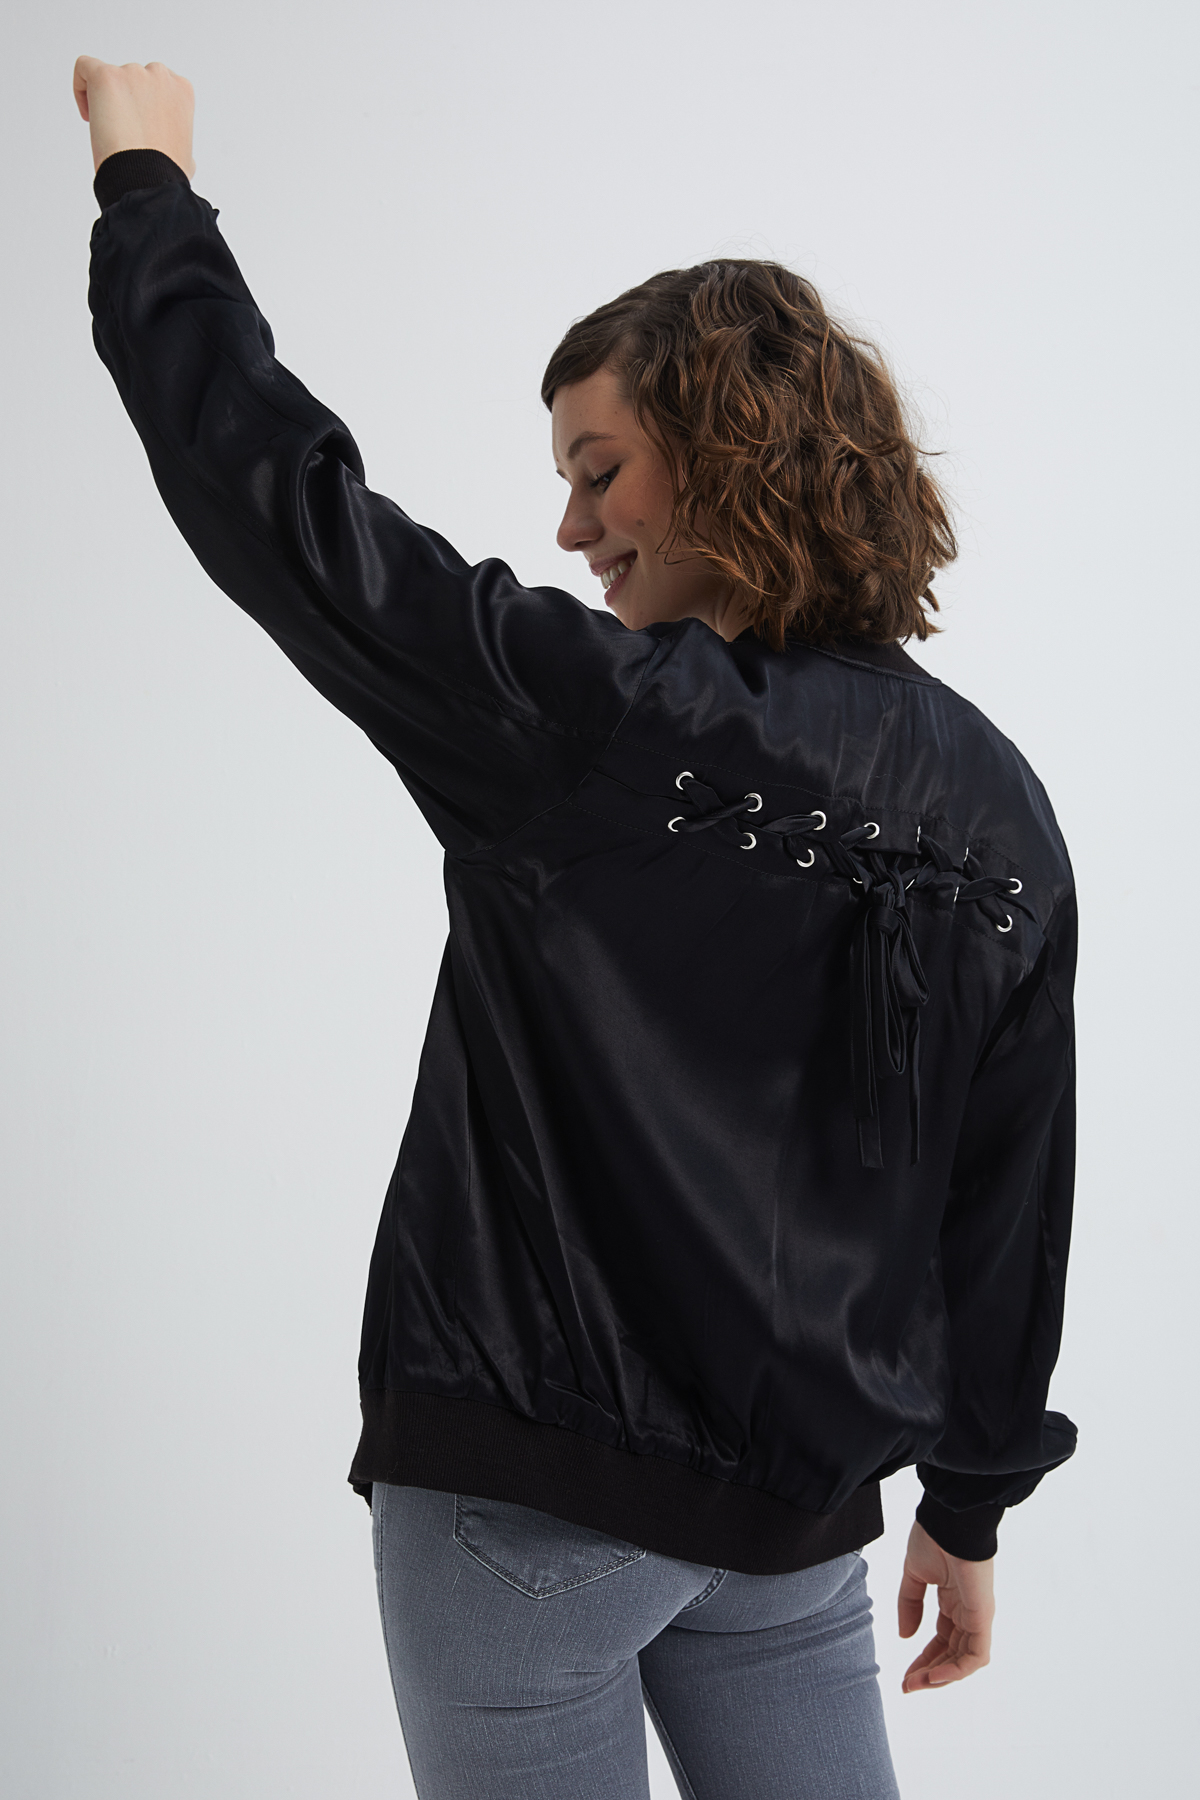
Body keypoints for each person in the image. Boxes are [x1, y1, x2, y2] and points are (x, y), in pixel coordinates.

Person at [73, 56, 1078, 1800]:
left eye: (600, 469)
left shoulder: (595, 721)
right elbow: (1010, 1205)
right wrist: (971, 1503)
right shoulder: (1001, 809)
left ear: (726, 455)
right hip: (792, 1528)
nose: (569, 526)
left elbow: (285, 510)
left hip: (527, 1505)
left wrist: (146, 188)